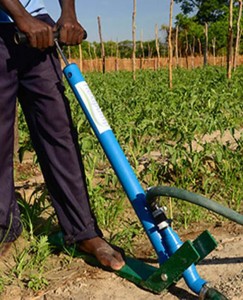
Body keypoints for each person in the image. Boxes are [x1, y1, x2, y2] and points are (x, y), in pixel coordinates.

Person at [0, 0, 125, 271]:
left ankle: (83, 232)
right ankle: (4, 228)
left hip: (38, 29)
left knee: (59, 133)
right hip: (13, 24)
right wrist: (19, 15)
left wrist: (68, 14)